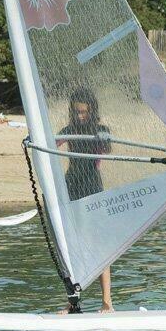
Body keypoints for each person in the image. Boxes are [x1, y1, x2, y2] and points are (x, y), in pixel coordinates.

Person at [56, 87, 112, 313]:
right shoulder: (69, 130)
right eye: (77, 112)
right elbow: (52, 143)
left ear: (92, 110)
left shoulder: (101, 130)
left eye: (84, 112)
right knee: (73, 245)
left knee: (99, 244)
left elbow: (107, 148)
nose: (80, 116)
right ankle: (72, 303)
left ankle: (107, 302)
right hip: (72, 186)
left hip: (93, 187)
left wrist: (103, 139)